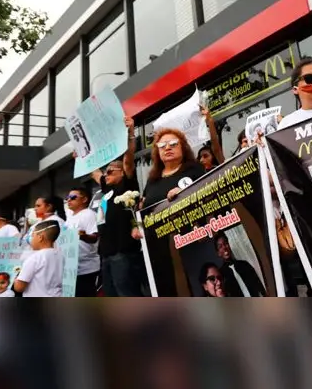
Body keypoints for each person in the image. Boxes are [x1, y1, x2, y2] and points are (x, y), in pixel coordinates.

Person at [86, 115, 147, 297]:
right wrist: (83, 155)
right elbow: (94, 172)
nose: (107, 173)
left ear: (122, 173)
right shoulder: (107, 188)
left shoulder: (127, 184)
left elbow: (128, 158)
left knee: (127, 294)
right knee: (111, 294)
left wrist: (130, 133)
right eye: (107, 171)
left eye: (111, 170)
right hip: (106, 254)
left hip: (123, 253)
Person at [143, 127, 206, 206]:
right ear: (157, 152)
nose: (167, 148)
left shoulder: (195, 168)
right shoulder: (152, 179)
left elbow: (207, 193)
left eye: (173, 144)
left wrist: (184, 193)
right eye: (162, 145)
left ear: (183, 148)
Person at [65, 184, 101, 297]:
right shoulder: (70, 217)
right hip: (71, 268)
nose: (69, 200)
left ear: (85, 199)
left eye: (73, 197)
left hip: (87, 268)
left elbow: (94, 237)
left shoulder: (89, 215)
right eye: (67, 197)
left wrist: (83, 236)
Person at [13, 220, 64, 297]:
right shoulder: (60, 255)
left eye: (32, 235)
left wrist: (16, 278)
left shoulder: (34, 258)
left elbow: (19, 288)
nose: (31, 239)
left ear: (40, 237)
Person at [214, 231, 267, 297]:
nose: (224, 247)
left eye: (225, 243)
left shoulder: (245, 265)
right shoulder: (221, 275)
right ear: (218, 253)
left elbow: (259, 285)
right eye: (220, 246)